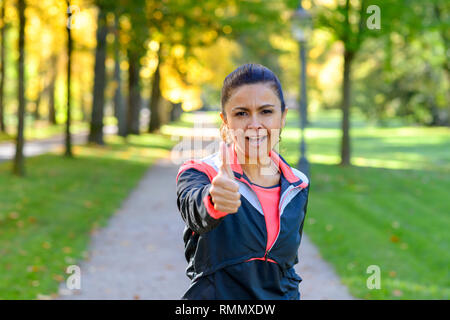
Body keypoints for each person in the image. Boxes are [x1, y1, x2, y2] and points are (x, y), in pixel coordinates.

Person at [176, 63, 310, 300]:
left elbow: (286, 268)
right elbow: (193, 209)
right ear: (225, 122)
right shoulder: (201, 173)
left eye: (266, 112)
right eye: (241, 113)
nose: (254, 124)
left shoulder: (297, 185)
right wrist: (213, 200)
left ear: (283, 117)